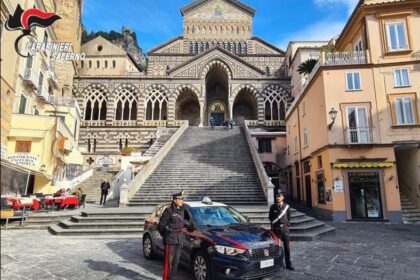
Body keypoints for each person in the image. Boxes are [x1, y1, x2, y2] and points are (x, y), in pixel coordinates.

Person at [158, 191, 186, 280]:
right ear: (175, 200)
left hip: (179, 238)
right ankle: (166, 278)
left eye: (182, 199)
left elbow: (186, 222)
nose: (182, 201)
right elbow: (160, 226)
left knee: (176, 261)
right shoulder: (168, 210)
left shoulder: (183, 209)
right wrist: (166, 236)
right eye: (180, 199)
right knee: (168, 262)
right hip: (170, 239)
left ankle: (172, 277)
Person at [269, 192, 294, 270]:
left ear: (283, 197)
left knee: (287, 248)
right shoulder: (273, 206)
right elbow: (270, 217)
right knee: (276, 248)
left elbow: (289, 217)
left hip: (284, 229)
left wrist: (285, 224)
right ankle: (278, 264)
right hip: (276, 229)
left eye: (279, 197)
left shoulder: (287, 207)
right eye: (277, 197)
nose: (278, 198)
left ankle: (288, 264)